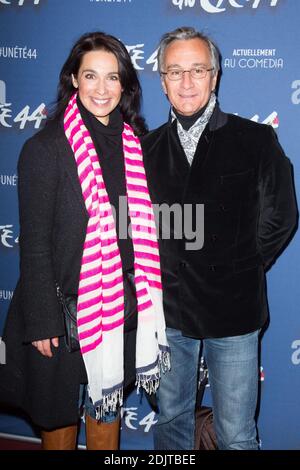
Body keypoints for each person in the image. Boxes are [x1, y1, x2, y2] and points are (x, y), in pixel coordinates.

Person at [0, 31, 169, 450]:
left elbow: (134, 228)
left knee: (105, 413)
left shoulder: (135, 146)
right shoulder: (46, 148)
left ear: (125, 85)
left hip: (116, 306)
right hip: (60, 311)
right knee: (58, 421)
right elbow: (34, 242)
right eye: (90, 76)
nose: (102, 89)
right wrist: (41, 320)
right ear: (74, 79)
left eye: (112, 78)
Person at [141, 26, 297, 450]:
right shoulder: (144, 150)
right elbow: (137, 229)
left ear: (215, 75)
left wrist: (237, 268)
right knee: (171, 423)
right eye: (175, 72)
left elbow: (280, 218)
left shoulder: (256, 139)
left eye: (197, 70)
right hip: (168, 315)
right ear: (162, 81)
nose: (187, 82)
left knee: (236, 434)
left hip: (234, 313)